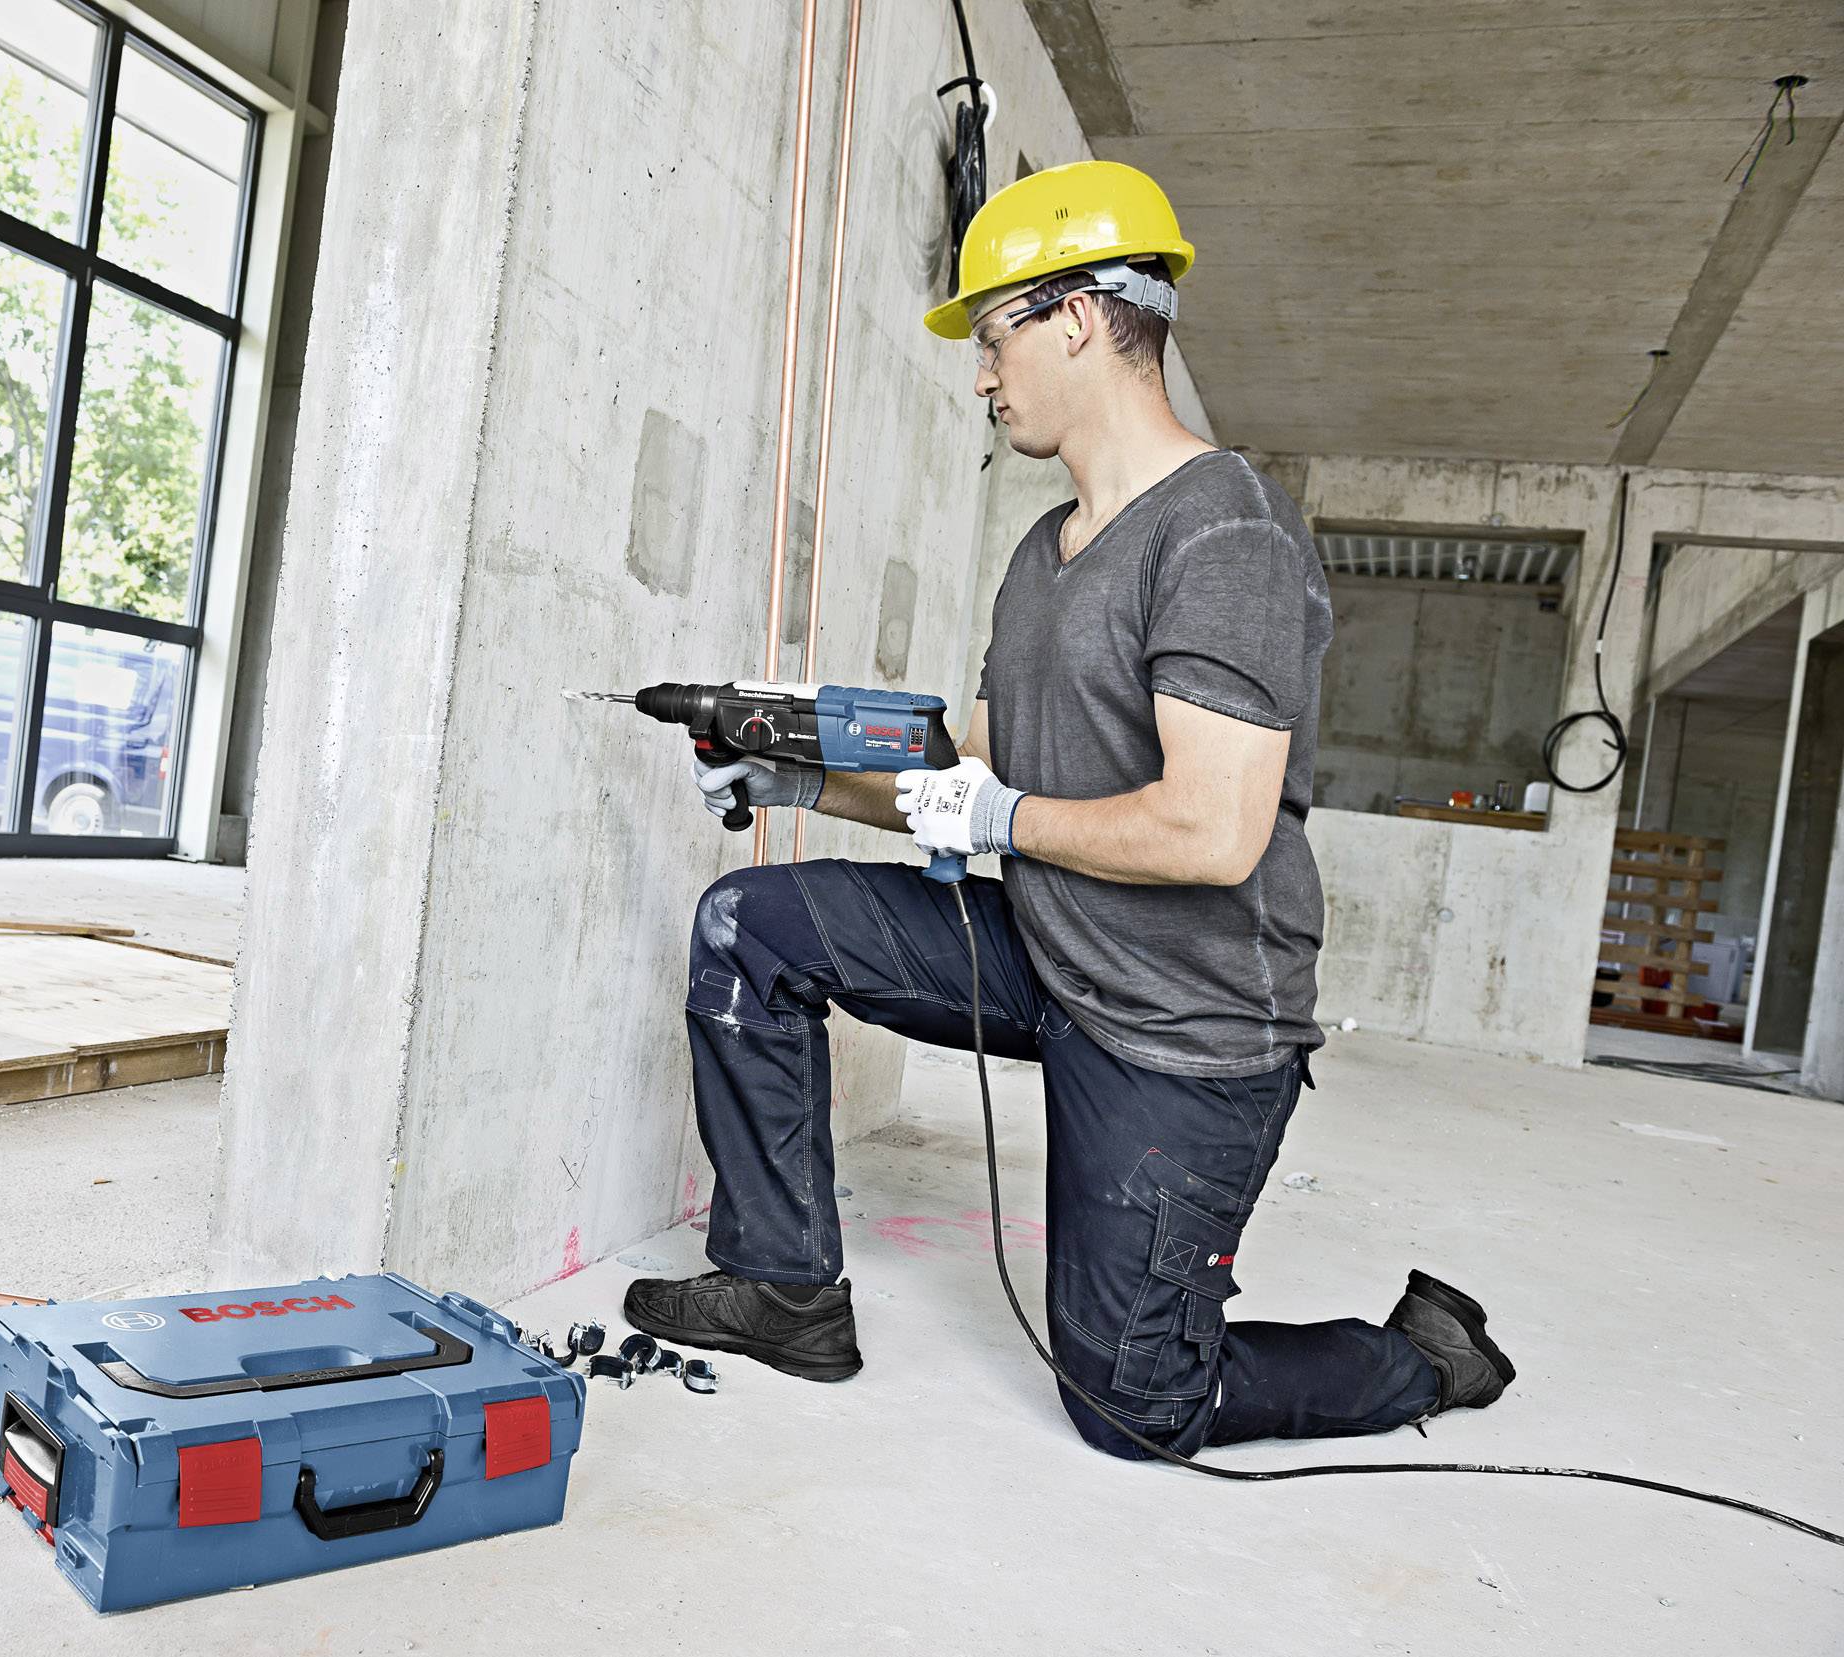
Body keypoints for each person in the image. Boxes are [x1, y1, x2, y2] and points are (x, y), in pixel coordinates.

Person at [622, 161, 1513, 1458]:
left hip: (1184, 1025)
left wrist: (993, 819)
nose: (985, 375)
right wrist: (793, 773)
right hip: (1045, 949)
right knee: (749, 926)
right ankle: (784, 1287)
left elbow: (1214, 830)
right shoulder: (1043, 554)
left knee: (1132, 1405)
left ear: (1081, 318)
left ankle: (1418, 1356)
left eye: (996, 336)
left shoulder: (1227, 536)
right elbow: (969, 786)